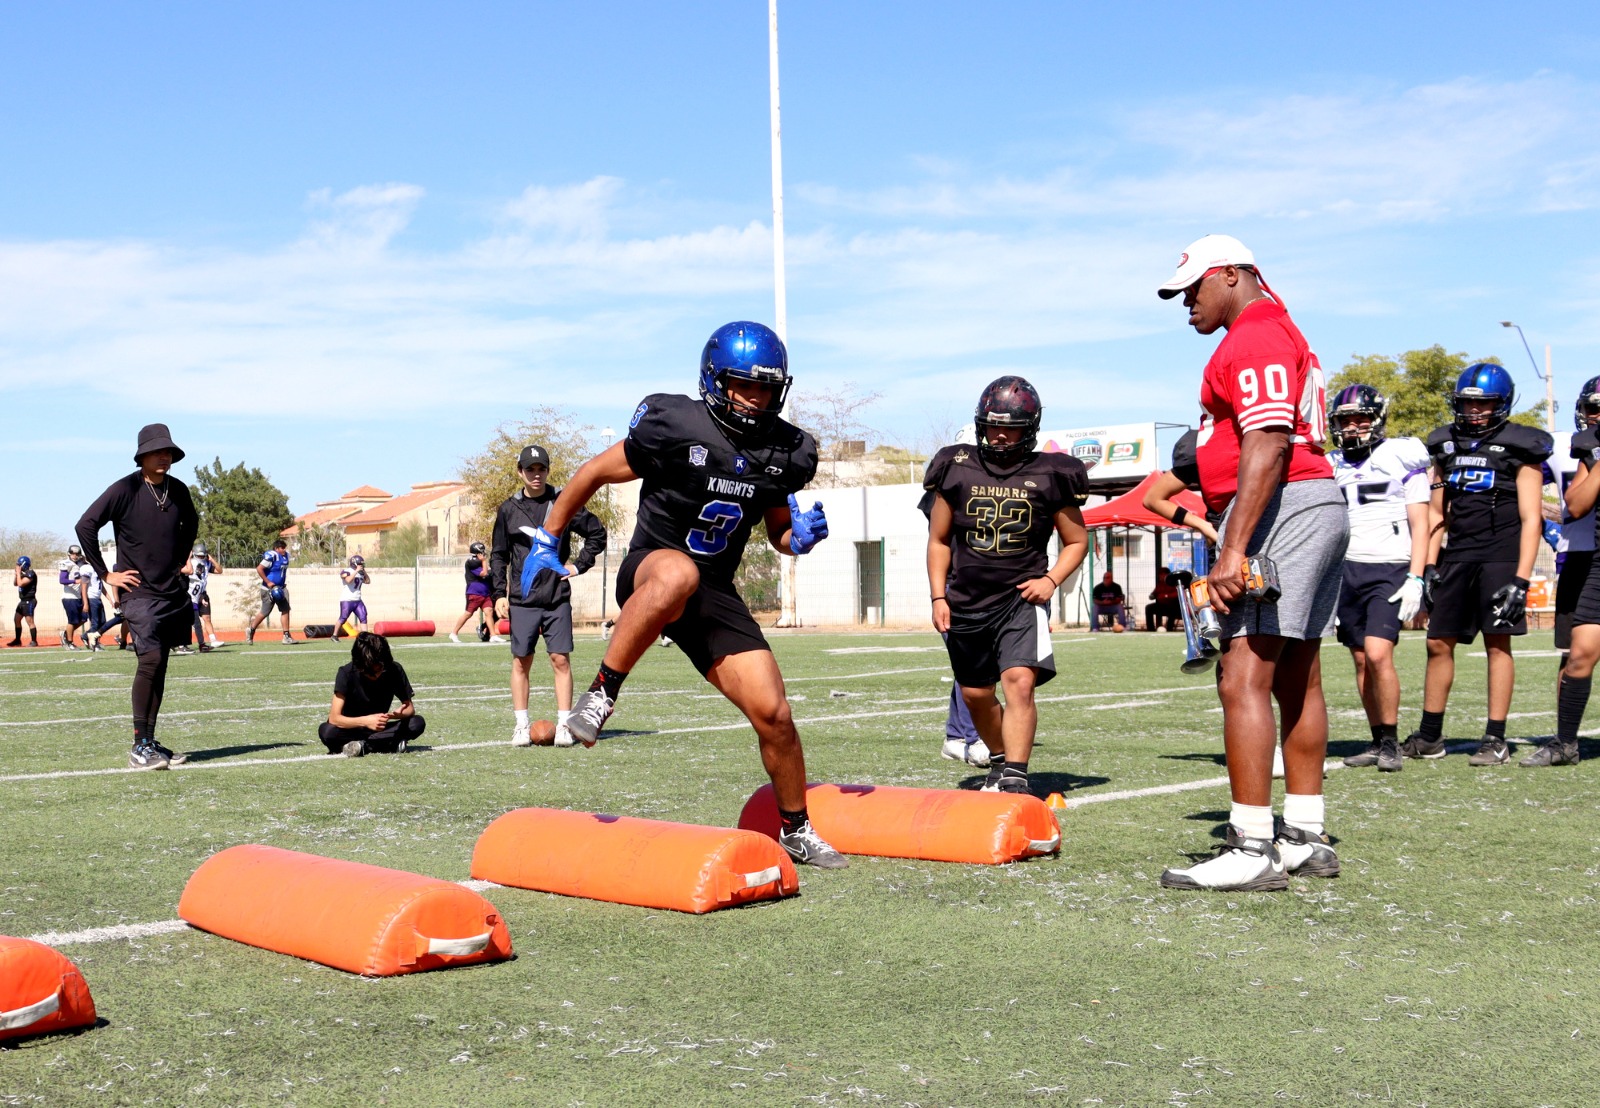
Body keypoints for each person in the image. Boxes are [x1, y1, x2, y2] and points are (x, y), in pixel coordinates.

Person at [522, 321, 849, 869]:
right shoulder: (675, 425)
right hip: (653, 571)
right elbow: (593, 473)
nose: (757, 398)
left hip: (714, 589)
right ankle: (602, 693)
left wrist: (800, 539)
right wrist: (549, 537)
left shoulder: (782, 451)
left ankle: (795, 827)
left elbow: (777, 532)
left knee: (776, 713)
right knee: (679, 575)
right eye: (745, 386)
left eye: (768, 388)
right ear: (715, 381)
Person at [1154, 234, 1348, 892]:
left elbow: (1266, 440)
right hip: (1309, 503)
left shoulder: (1256, 334)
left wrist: (1233, 547)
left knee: (1241, 675)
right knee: (1298, 675)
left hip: (1281, 506)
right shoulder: (1276, 326)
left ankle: (1252, 846)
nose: (1187, 305)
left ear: (1231, 275)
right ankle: (1303, 834)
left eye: (1193, 289)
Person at [925, 376, 1090, 795]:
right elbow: (939, 540)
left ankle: (1016, 774)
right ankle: (999, 760)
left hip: (1020, 598)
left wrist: (1051, 580)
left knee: (1019, 680)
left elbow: (1077, 540)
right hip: (964, 600)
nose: (1001, 434)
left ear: (1030, 427)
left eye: (1011, 426)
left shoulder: (1053, 473)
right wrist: (938, 595)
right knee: (976, 694)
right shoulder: (955, 466)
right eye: (994, 424)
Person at [1410, 364, 1552, 765]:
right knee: (1438, 641)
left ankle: (1496, 738)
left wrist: (1522, 579)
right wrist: (1430, 565)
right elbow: (1438, 511)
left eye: (1483, 403)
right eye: (1468, 402)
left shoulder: (1522, 446)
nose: (1474, 411)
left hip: (1501, 555)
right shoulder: (1445, 444)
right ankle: (1430, 735)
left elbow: (1531, 519)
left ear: (1501, 404)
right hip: (1458, 554)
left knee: (1497, 643)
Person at [75, 423, 200, 769]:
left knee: (160, 664)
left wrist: (180, 560)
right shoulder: (125, 488)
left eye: (169, 452)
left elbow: (191, 524)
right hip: (138, 592)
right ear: (142, 456)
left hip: (172, 592)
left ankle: (150, 743)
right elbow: (86, 525)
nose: (164, 456)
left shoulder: (179, 490)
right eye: (157, 451)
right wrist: (105, 573)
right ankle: (138, 746)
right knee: (150, 661)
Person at [1325, 384, 1431, 773]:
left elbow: (1422, 524)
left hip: (1390, 566)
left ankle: (1391, 742)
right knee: (1359, 660)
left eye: (1360, 419)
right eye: (1345, 420)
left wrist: (1417, 577)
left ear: (1377, 420)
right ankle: (1376, 739)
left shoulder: (1400, 456)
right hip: (1346, 569)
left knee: (1377, 653)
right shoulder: (1331, 463)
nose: (1352, 427)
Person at [489, 445, 607, 748]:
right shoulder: (508, 509)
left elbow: (597, 533)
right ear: (520, 472)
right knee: (520, 663)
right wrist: (499, 594)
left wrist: (578, 566)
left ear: (547, 471)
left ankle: (565, 725)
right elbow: (499, 555)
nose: (536, 474)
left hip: (556, 598)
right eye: (530, 469)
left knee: (560, 660)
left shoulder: (563, 502)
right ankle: (520, 725)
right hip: (522, 600)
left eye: (541, 469)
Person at [1534, 376, 1600, 767]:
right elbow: (1573, 505)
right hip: (1588, 558)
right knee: (1578, 654)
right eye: (1594, 408)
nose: (1598, 416)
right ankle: (1566, 743)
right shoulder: (1581, 448)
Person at [317, 631, 426, 757]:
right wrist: (366, 721)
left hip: (380, 728)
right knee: (327, 731)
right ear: (360, 666)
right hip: (351, 729)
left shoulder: (394, 669)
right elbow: (334, 718)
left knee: (417, 722)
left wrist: (392, 716)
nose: (377, 675)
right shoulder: (346, 673)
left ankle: (362, 746)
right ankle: (386, 744)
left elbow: (409, 708)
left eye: (381, 669)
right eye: (371, 672)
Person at [450, 541, 500, 643]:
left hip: (485, 593)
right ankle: (454, 633)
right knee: (468, 614)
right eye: (482, 551)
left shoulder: (481, 562)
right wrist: (484, 561)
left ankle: (493, 635)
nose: (484, 553)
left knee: (489, 612)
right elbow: (484, 573)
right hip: (474, 593)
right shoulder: (471, 562)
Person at [247, 539, 294, 645]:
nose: (284, 550)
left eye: (284, 548)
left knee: (285, 610)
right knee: (265, 612)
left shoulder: (286, 556)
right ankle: (251, 629)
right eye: (281, 548)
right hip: (268, 589)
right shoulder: (272, 556)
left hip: (281, 588)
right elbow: (259, 568)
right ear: (276, 549)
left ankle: (286, 636)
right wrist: (268, 582)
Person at [181, 543, 222, 650]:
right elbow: (188, 571)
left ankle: (203, 644)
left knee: (198, 622)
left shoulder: (206, 563)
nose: (201, 558)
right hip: (188, 596)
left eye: (202, 556)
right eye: (199, 556)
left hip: (199, 595)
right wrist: (188, 558)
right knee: (189, 622)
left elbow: (219, 570)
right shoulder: (190, 564)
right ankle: (182, 644)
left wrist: (212, 560)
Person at [58, 545, 88, 650]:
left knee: (84, 618)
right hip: (69, 597)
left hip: (79, 596)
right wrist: (75, 581)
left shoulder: (81, 564)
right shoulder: (65, 563)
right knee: (72, 621)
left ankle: (65, 633)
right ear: (69, 554)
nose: (75, 556)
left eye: (77, 554)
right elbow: (62, 580)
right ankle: (69, 642)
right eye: (73, 554)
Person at [8, 556, 39, 647]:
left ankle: (34, 641)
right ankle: (18, 640)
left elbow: (21, 583)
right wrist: (16, 574)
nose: (18, 566)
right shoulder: (22, 574)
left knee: (30, 621)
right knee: (16, 619)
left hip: (29, 600)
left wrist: (18, 573)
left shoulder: (30, 573)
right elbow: (15, 583)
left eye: (19, 564)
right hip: (22, 600)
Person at [337, 554, 370, 636]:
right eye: (360, 564)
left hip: (358, 600)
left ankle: (365, 636)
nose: (361, 566)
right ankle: (334, 635)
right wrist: (356, 571)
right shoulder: (347, 571)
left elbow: (368, 581)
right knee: (343, 618)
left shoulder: (361, 573)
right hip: (347, 599)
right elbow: (348, 580)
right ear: (355, 563)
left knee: (363, 616)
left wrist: (364, 572)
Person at [1145, 568, 1181, 633]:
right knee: (1149, 608)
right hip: (1162, 606)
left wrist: (1165, 596)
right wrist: (1152, 596)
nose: (1160, 576)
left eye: (1162, 574)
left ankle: (1170, 629)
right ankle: (1151, 629)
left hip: (1173, 606)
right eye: (1160, 574)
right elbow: (1154, 594)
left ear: (1167, 575)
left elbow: (1177, 594)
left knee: (1172, 609)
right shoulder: (1160, 584)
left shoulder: (1173, 583)